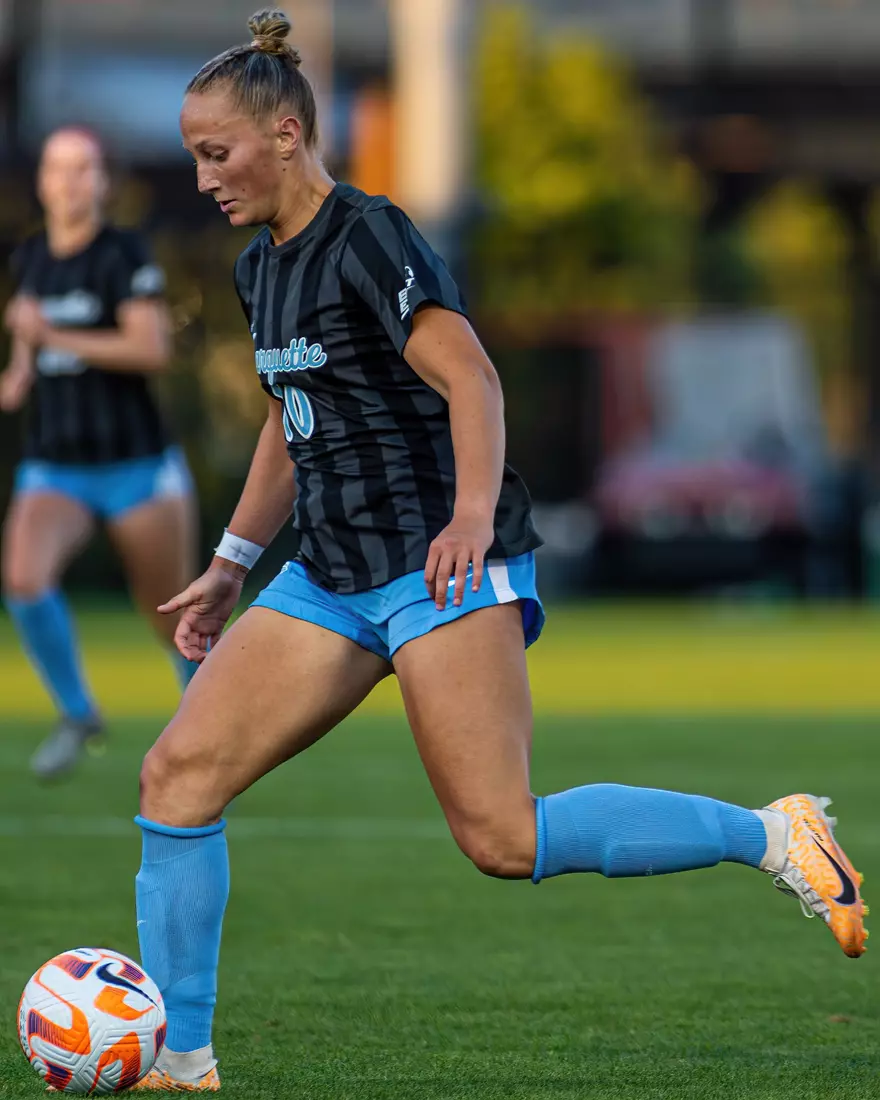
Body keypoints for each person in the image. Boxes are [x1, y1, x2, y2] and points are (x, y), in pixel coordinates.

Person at [129, 9, 867, 1093]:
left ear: (286, 133)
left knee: (501, 835)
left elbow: (470, 376)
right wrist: (235, 559)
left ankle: (772, 830)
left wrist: (472, 517)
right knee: (176, 776)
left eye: (216, 152)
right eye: (196, 155)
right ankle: (177, 1060)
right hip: (331, 572)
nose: (203, 177)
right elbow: (293, 411)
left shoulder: (370, 234)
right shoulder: (258, 270)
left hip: (441, 565)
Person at [1, 126, 199, 780]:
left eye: (83, 168)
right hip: (56, 463)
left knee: (171, 614)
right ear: (43, 181)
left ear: (103, 182)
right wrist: (20, 371)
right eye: (58, 167)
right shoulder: (31, 258)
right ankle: (78, 711)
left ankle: (210, 722)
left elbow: (151, 351)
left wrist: (54, 332)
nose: (69, 180)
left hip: (135, 467)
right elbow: (29, 336)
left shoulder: (122, 255)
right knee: (24, 579)